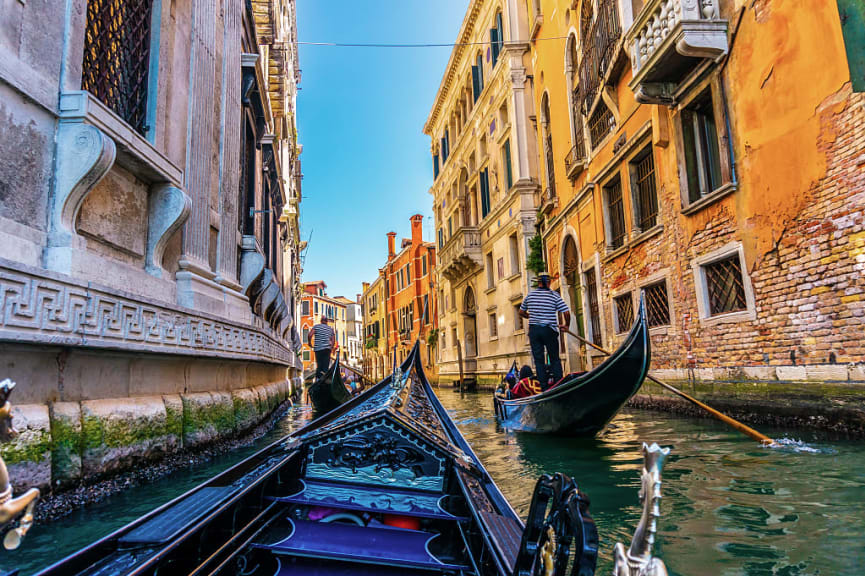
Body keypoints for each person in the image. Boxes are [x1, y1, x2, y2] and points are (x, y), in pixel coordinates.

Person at [518, 273, 570, 390]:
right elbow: (566, 312)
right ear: (549, 282)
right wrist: (566, 326)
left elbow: (521, 312)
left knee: (539, 360)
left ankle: (544, 388)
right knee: (555, 359)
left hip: (535, 331)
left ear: (538, 282)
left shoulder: (530, 296)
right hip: (549, 330)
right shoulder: (554, 295)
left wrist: (530, 316)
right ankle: (559, 386)